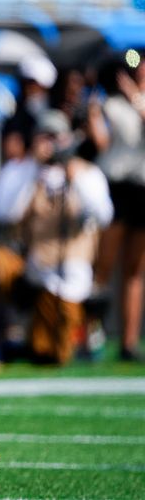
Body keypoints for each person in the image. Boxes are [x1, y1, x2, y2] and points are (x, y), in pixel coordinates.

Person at [0, 109, 113, 366]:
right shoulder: (21, 170)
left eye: (55, 137)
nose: (50, 144)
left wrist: (73, 174)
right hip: (29, 268)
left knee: (50, 354)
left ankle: (35, 342)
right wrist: (32, 170)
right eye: (45, 137)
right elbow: (4, 213)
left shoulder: (87, 172)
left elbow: (103, 215)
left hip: (69, 272)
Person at [91, 51, 145, 361]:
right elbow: (102, 144)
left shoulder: (140, 102)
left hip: (141, 188)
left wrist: (136, 98)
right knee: (103, 265)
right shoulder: (109, 105)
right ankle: (91, 336)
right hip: (115, 187)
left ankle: (129, 341)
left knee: (134, 270)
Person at [1, 54, 58, 162]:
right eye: (25, 84)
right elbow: (12, 150)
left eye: (33, 84)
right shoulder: (15, 118)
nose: (29, 90)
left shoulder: (58, 113)